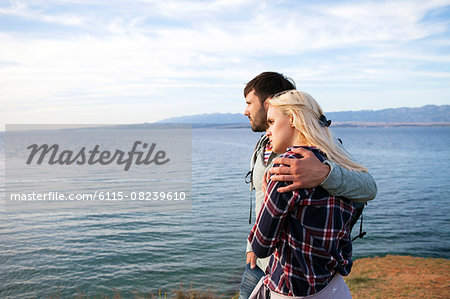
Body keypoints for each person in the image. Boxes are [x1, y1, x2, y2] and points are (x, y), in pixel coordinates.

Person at [239, 72, 377, 299]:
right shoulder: (263, 146)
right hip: (261, 264)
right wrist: (251, 247)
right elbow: (263, 201)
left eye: (248, 103)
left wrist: (324, 174)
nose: (245, 111)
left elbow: (369, 187)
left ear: (268, 103)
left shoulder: (322, 149)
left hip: (297, 275)